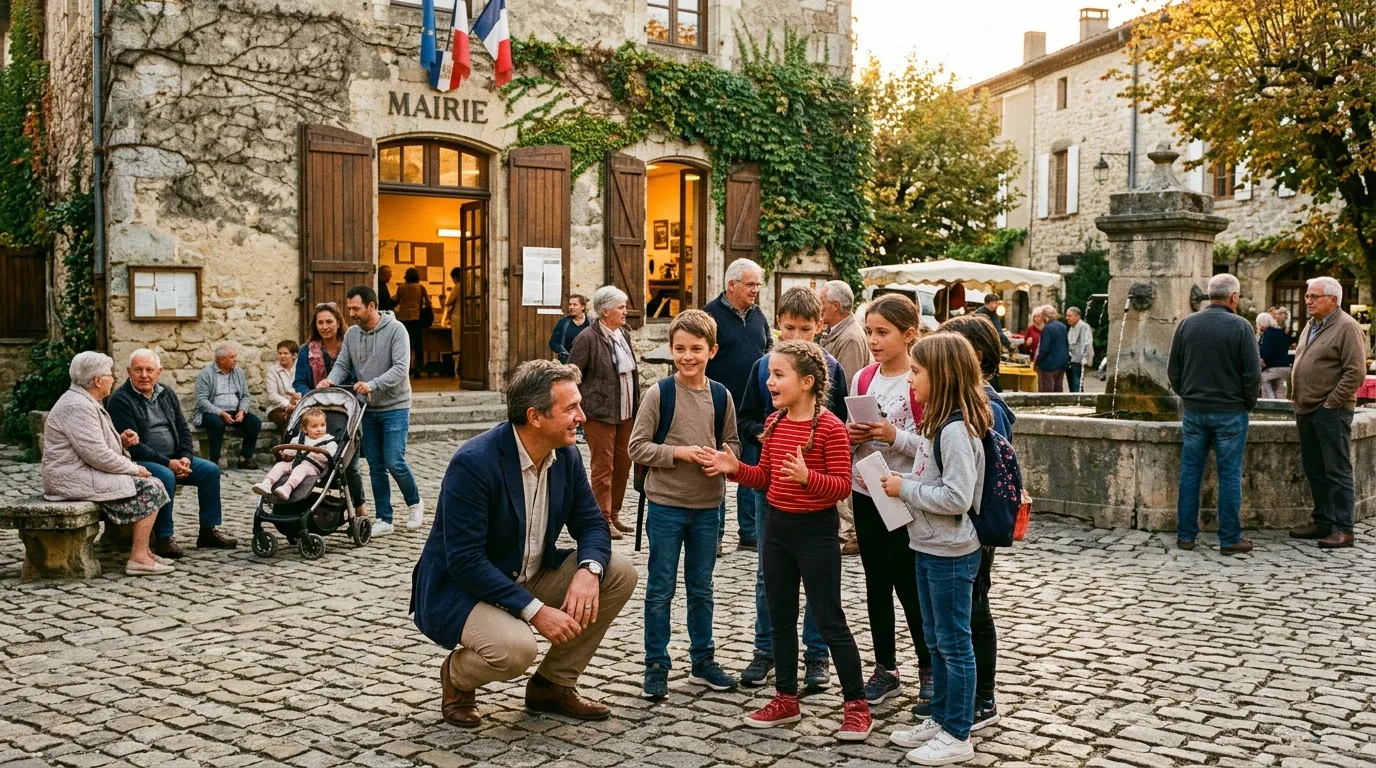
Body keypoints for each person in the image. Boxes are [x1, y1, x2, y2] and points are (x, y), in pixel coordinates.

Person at [411, 360, 638, 726]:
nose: (582, 416)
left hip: (528, 572)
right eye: (571, 408)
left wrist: (588, 570)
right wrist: (535, 610)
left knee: (618, 572)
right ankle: (456, 678)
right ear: (535, 416)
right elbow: (465, 561)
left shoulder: (566, 454)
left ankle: (552, 685)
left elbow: (593, 523)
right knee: (516, 649)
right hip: (464, 588)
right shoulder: (473, 463)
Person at [704, 341, 872, 741]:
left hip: (815, 534)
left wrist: (807, 478)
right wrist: (735, 469)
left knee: (830, 620)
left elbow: (841, 486)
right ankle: (785, 698)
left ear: (808, 382)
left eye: (779, 374)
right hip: (777, 530)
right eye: (769, 374)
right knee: (780, 618)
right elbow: (764, 477)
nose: (769, 381)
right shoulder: (775, 423)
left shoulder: (830, 427)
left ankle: (856, 705)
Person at [882, 333, 991, 766]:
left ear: (941, 376)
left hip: (951, 550)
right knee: (936, 638)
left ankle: (958, 732)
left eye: (917, 371)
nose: (911, 380)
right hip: (927, 544)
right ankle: (942, 717)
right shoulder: (937, 423)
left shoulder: (956, 429)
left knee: (953, 642)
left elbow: (958, 497)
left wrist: (903, 487)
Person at [737, 287, 850, 691]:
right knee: (770, 574)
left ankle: (816, 656)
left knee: (818, 577)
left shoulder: (829, 367)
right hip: (772, 483)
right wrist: (765, 437)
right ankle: (765, 650)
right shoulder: (764, 367)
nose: (797, 335)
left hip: (814, 491)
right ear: (777, 325)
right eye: (789, 328)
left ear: (820, 327)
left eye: (805, 328)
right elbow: (746, 418)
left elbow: (837, 425)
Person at [628, 310, 741, 699]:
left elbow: (734, 444)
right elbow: (637, 447)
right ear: (671, 350)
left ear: (712, 350)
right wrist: (681, 452)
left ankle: (703, 661)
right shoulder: (660, 393)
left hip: (709, 507)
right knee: (660, 589)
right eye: (680, 349)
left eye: (696, 349)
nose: (687, 356)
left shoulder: (722, 395)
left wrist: (723, 462)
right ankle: (656, 663)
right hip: (665, 506)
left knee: (702, 588)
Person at [846, 294, 931, 707]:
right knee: (875, 581)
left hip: (905, 493)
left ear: (909, 335)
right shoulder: (863, 378)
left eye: (883, 332)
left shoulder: (920, 381)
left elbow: (933, 448)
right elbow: (850, 430)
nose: (874, 340)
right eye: (869, 332)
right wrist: (853, 435)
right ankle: (885, 668)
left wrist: (892, 435)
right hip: (867, 489)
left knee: (910, 584)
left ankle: (928, 666)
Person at [934, 314, 1014, 731]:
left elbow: (984, 481)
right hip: (963, 527)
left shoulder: (986, 408)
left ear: (974, 356)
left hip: (975, 530)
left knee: (975, 613)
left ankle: (983, 698)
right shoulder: (963, 401)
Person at [43, 352, 174, 576]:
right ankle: (138, 557)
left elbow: (92, 446)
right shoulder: (78, 406)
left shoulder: (85, 401)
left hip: (83, 473)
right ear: (97, 380)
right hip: (71, 478)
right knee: (152, 487)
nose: (112, 379)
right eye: (109, 375)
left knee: (151, 483)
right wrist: (134, 468)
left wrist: (121, 440)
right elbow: (97, 455)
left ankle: (143, 552)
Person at [108, 349, 237, 559]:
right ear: (128, 372)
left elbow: (183, 428)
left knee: (210, 471)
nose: (144, 375)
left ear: (159, 372)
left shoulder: (166, 393)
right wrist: (169, 463)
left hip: (174, 457)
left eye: (149, 370)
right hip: (141, 461)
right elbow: (134, 446)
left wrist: (185, 456)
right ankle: (164, 537)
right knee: (165, 476)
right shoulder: (121, 400)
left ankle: (208, 531)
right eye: (138, 370)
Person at [1166, 274, 1260, 554]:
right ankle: (1230, 539)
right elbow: (1252, 374)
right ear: (1233, 297)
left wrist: (1188, 395)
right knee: (1229, 475)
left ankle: (1186, 536)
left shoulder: (1187, 324)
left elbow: (1174, 370)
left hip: (1195, 411)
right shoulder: (1242, 327)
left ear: (1210, 296)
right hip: (1230, 411)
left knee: (1190, 473)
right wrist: (1247, 403)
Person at [320, 285, 423, 535]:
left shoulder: (397, 330)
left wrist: (372, 385)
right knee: (375, 464)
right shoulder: (353, 335)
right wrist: (330, 380)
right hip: (367, 408)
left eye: (356, 308)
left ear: (372, 306)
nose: (352, 313)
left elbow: (400, 369)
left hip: (395, 406)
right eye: (350, 309)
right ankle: (385, 519)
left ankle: (414, 503)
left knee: (393, 460)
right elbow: (343, 364)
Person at [1288, 276, 1366, 550]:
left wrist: (1332, 402)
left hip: (1330, 410)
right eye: (1308, 296)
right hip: (1307, 407)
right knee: (1315, 469)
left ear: (1333, 300)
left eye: (1314, 297)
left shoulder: (1347, 327)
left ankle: (1344, 529)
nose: (1307, 300)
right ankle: (1322, 520)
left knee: (1337, 470)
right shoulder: (1311, 325)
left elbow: (1355, 372)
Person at [705, 258, 772, 551]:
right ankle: (715, 535)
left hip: (752, 409)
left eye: (758, 284)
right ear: (731, 285)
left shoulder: (758, 316)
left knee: (752, 467)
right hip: (718, 406)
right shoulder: (709, 316)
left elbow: (768, 349)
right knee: (718, 469)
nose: (755, 290)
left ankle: (750, 533)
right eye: (750, 284)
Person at [568, 286, 638, 540]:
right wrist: (578, 405)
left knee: (623, 463)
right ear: (605, 311)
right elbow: (573, 374)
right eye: (621, 307)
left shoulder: (624, 334)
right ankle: (602, 519)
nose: (625, 312)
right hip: (599, 413)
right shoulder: (587, 338)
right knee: (603, 466)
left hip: (626, 411)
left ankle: (615, 513)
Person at [295, 302, 367, 519]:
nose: (325, 326)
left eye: (329, 322)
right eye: (320, 322)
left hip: (346, 411)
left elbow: (359, 376)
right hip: (316, 412)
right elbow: (299, 382)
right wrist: (312, 394)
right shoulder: (307, 351)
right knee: (311, 460)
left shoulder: (350, 346)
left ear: (338, 323)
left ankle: (359, 505)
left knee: (349, 465)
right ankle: (311, 502)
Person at [817, 279, 869, 556]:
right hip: (842, 421)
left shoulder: (848, 337)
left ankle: (851, 533)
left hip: (843, 421)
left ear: (835, 306)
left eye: (822, 302)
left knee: (842, 478)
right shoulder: (837, 331)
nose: (819, 308)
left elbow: (844, 384)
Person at [193, 344, 261, 469]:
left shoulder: (238, 372)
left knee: (254, 422)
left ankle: (245, 458)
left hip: (235, 411)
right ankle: (213, 462)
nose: (236, 359)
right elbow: (201, 401)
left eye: (235, 356)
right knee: (216, 424)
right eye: (232, 357)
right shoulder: (206, 374)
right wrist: (221, 413)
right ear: (221, 360)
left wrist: (242, 411)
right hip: (212, 413)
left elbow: (245, 395)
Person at [252, 408, 337, 500]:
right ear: (305, 429)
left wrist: (316, 454)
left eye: (322, 425)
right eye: (314, 426)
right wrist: (286, 454)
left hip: (313, 468)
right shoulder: (299, 439)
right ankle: (267, 483)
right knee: (280, 465)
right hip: (295, 462)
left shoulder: (329, 442)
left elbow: (329, 456)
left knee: (301, 468)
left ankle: (287, 488)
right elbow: (291, 450)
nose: (319, 429)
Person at [395, 267, 431, 378]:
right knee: (418, 345)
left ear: (406, 276)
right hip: (416, 319)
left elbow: (396, 300)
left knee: (406, 345)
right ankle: (418, 369)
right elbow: (428, 302)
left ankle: (406, 369)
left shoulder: (401, 287)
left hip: (403, 320)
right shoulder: (420, 287)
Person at [266, 340, 301, 435]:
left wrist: (296, 403)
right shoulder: (272, 371)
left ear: (294, 355)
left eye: (285, 353)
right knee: (288, 420)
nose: (282, 356)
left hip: (299, 406)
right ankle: (285, 448)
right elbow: (272, 395)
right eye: (280, 353)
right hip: (277, 408)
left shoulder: (300, 368)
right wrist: (288, 405)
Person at [1257, 311, 1293, 399]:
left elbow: (1266, 350)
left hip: (1271, 367)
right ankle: (1281, 406)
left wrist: (1262, 359)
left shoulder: (1268, 333)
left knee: (1264, 383)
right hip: (1285, 367)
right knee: (1280, 389)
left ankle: (1270, 405)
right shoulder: (1281, 331)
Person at [1034, 306, 1069, 393]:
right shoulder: (1062, 327)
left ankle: (1047, 406)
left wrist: (1038, 361)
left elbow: (1044, 348)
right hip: (1061, 363)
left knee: (1047, 390)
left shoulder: (1047, 328)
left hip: (1048, 365)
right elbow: (1066, 344)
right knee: (1058, 388)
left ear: (1045, 316)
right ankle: (1058, 405)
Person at [549, 294, 591, 364]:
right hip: (567, 363)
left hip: (588, 363)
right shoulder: (563, 323)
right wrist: (562, 352)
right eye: (570, 304)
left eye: (575, 305)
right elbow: (553, 342)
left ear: (583, 307)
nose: (571, 307)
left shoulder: (591, 323)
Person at [1064, 308, 1094, 393]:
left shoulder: (1084, 326)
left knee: (1077, 386)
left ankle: (1079, 402)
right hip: (1071, 361)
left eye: (1070, 316)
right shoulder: (1072, 327)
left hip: (1078, 362)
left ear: (1077, 316)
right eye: (1067, 315)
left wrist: (1085, 359)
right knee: (1072, 385)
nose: (1067, 318)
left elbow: (1087, 344)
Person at [443, 267, 463, 377]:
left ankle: (456, 369)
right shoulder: (468, 286)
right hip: (466, 318)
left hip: (457, 317)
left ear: (454, 278)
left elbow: (449, 301)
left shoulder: (458, 286)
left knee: (457, 344)